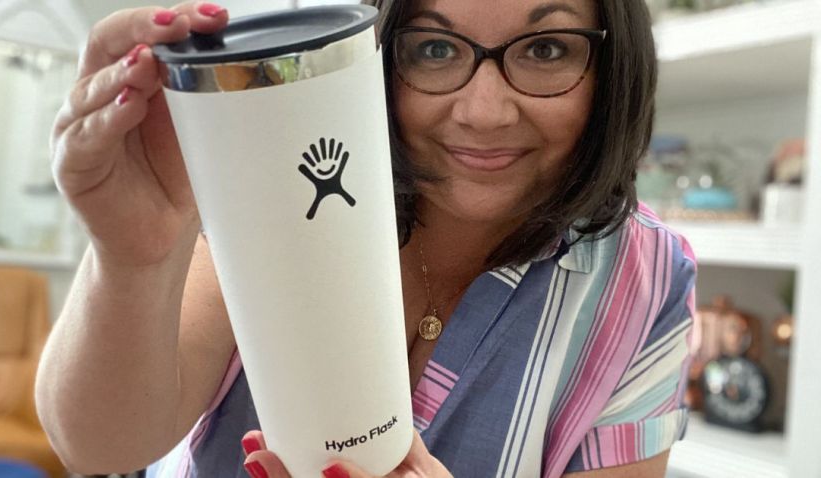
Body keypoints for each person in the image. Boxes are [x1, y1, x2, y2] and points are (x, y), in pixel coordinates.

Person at [35, 0, 697, 477]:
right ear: (382, 57)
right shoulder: (271, 180)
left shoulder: (645, 276)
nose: (483, 111)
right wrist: (132, 256)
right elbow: (101, 449)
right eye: (434, 48)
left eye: (546, 49)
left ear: (612, 67)